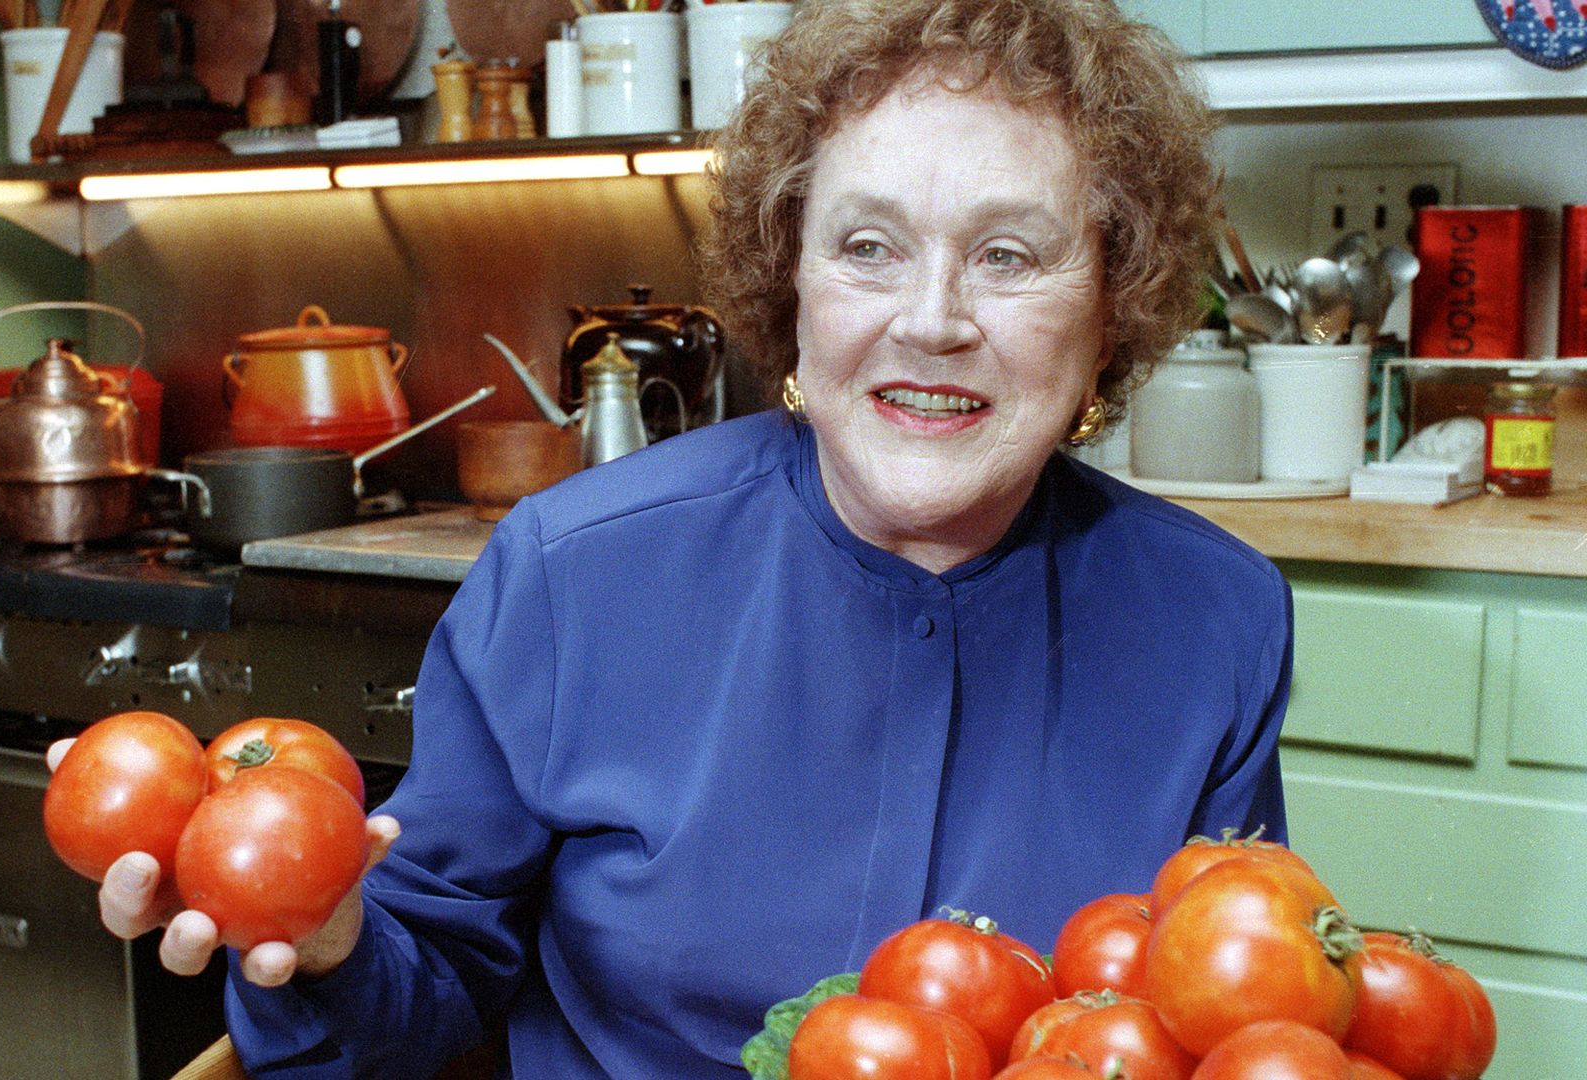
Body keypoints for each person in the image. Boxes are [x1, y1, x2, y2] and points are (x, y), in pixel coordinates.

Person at [68, 0, 1293, 1075]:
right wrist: (327, 942)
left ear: (1112, 302)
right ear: (791, 284)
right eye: (868, 247)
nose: (933, 321)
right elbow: (420, 998)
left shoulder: (1215, 620)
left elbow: (1232, 1012)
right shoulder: (570, 576)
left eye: (1009, 257)